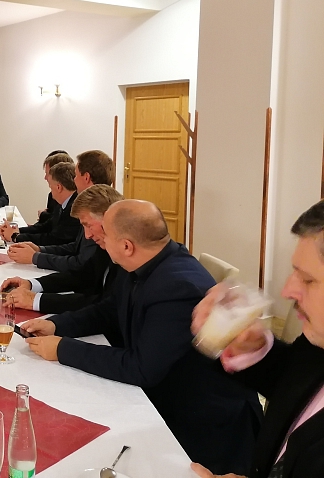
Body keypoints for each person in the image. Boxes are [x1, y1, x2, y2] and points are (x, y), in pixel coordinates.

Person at [22, 200, 262, 475]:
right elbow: (109, 310)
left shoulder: (177, 286)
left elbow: (141, 368)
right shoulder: (146, 262)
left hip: (204, 424)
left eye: (105, 234)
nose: (96, 238)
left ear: (127, 246)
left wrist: (63, 349)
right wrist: (56, 325)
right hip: (169, 394)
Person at [190, 200, 324, 478]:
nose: (287, 291)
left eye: (308, 280)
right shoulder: (317, 341)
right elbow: (294, 384)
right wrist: (250, 347)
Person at [1, 184, 121, 315]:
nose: (87, 235)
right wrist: (32, 284)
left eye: (89, 225)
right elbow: (82, 276)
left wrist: (36, 300)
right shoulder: (104, 248)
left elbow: (103, 304)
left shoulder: (124, 259)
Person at [7, 149, 114, 272]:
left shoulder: (99, 209)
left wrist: (36, 257)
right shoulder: (90, 204)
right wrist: (40, 250)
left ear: (86, 178)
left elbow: (82, 265)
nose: (74, 180)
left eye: (76, 175)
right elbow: (75, 247)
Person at [0, 161, 80, 247]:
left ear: (58, 187)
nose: (51, 192)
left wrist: (16, 237)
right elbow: (46, 226)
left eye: (50, 186)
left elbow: (54, 239)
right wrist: (18, 231)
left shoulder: (75, 208)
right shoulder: (64, 203)